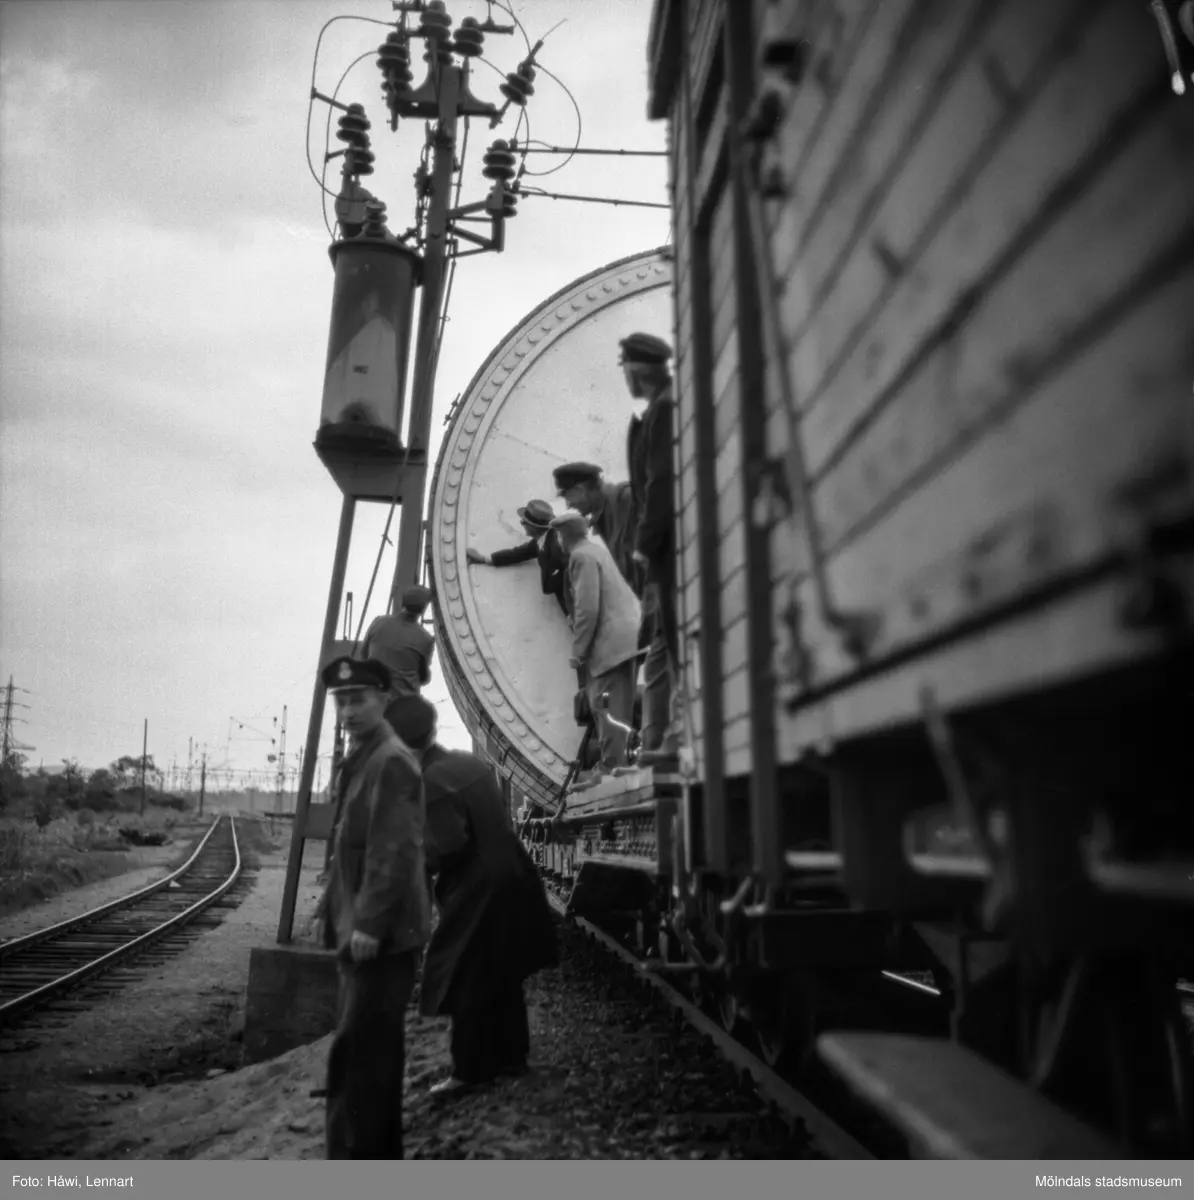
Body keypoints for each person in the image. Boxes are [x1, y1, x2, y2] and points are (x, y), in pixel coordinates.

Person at [385, 693, 558, 1094]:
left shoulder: (429, 781)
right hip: (514, 873)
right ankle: (512, 1059)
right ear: (430, 729)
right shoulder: (468, 763)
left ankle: (469, 1071)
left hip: (479, 886)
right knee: (502, 971)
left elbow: (448, 846)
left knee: (463, 976)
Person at [311, 655, 432, 1160]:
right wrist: (333, 911)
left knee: (359, 1060)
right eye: (341, 702)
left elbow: (393, 850)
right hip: (364, 932)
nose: (348, 711)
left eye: (357, 700)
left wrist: (369, 924)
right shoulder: (366, 758)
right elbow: (353, 848)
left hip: (379, 938)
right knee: (371, 1058)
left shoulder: (390, 761)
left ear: (384, 699)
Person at [621, 332, 682, 762]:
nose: (625, 376)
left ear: (638, 368)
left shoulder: (665, 408)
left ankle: (680, 731)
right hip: (669, 544)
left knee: (676, 637)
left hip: (670, 545)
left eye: (625, 367)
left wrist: (645, 542)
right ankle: (669, 733)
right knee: (668, 640)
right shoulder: (661, 407)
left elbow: (661, 479)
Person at [551, 510, 641, 784]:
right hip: (628, 636)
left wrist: (578, 652)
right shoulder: (596, 551)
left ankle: (610, 765)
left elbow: (587, 608)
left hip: (611, 640)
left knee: (604, 702)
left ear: (563, 536)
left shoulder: (580, 557)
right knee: (619, 703)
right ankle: (618, 761)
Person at [465, 497, 570, 616]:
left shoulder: (557, 547)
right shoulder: (543, 539)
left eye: (524, 522)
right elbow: (519, 553)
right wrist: (485, 559)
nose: (521, 524)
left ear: (535, 527)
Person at [551, 462, 641, 597]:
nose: (568, 505)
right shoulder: (603, 515)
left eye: (567, 496)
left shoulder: (628, 498)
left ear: (580, 490)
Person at [363, 584, 436, 701]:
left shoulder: (378, 622)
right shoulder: (425, 639)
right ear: (423, 609)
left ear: (403, 603)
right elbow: (423, 678)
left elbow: (364, 654)